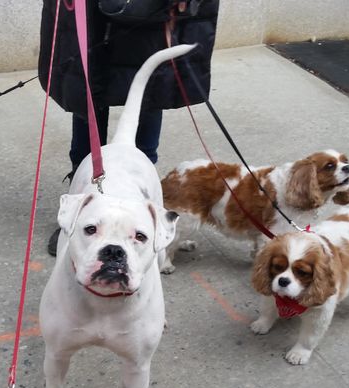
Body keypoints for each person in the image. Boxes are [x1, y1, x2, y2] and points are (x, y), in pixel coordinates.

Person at [38, 0, 220, 256]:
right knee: (86, 91)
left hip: (151, 11)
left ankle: (139, 212)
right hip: (86, 11)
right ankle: (82, 213)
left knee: (149, 91)